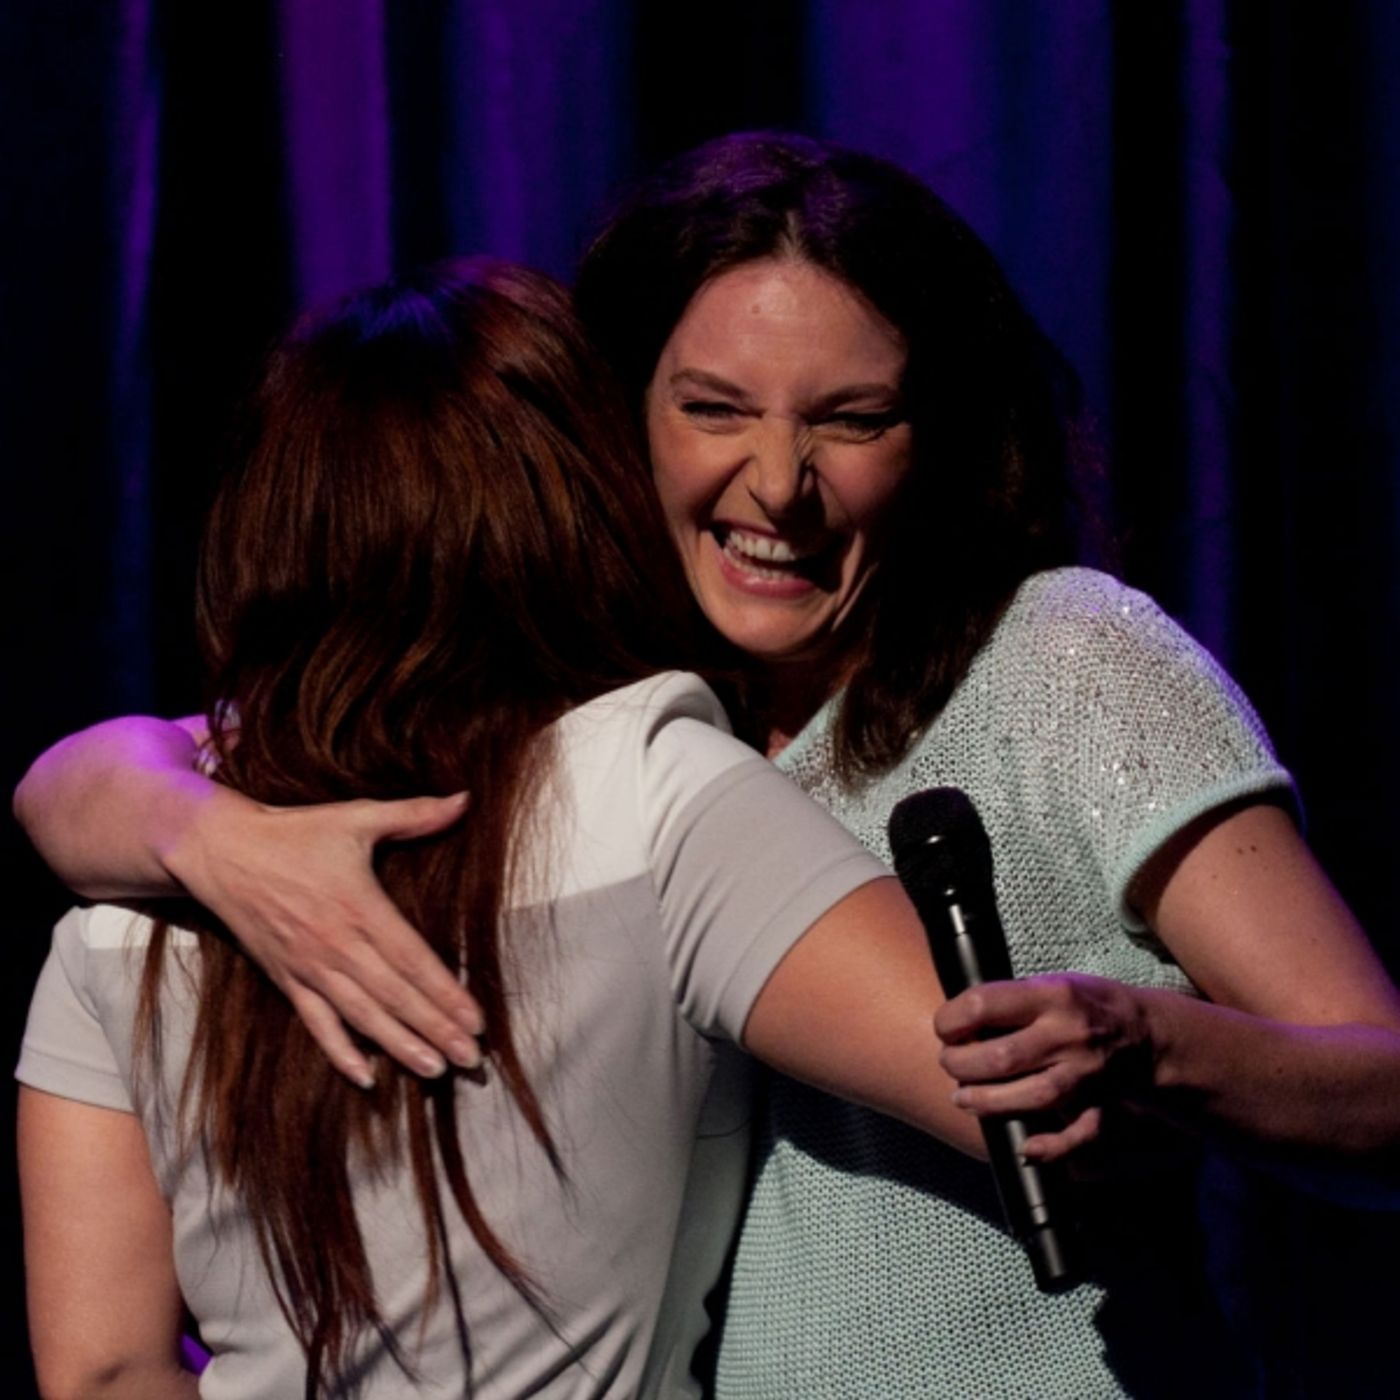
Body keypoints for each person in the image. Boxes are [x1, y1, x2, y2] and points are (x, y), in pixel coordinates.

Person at [16, 135, 1400, 1396]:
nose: (779, 481)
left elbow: (1380, 1087)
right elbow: (86, 782)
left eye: (852, 419)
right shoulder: (620, 739)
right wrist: (210, 835)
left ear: (944, 440)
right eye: (715, 407)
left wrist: (1158, 1048)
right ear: (612, 428)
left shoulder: (1058, 661)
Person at [17, 258, 992, 1398]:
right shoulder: (653, 789)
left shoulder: (122, 915)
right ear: (573, 501)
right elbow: (1019, 1102)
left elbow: (102, 1369)